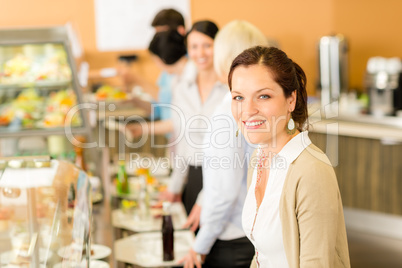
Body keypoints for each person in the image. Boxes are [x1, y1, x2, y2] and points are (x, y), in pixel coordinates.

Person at [228, 46, 351, 267]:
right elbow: (260, 255)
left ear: (291, 100)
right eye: (238, 97)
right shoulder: (259, 158)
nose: (247, 110)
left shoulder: (312, 171)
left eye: (263, 96)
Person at [178, 20, 269, 268]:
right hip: (252, 229)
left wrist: (200, 246)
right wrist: (202, 199)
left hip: (231, 237)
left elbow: (225, 191)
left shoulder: (228, 112)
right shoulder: (258, 105)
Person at [165, 20, 226, 216]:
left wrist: (206, 197)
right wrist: (174, 187)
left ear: (219, 46)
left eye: (207, 45)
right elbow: (182, 141)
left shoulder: (230, 88)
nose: (200, 53)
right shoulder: (182, 87)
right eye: (194, 47)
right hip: (192, 176)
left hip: (223, 177)